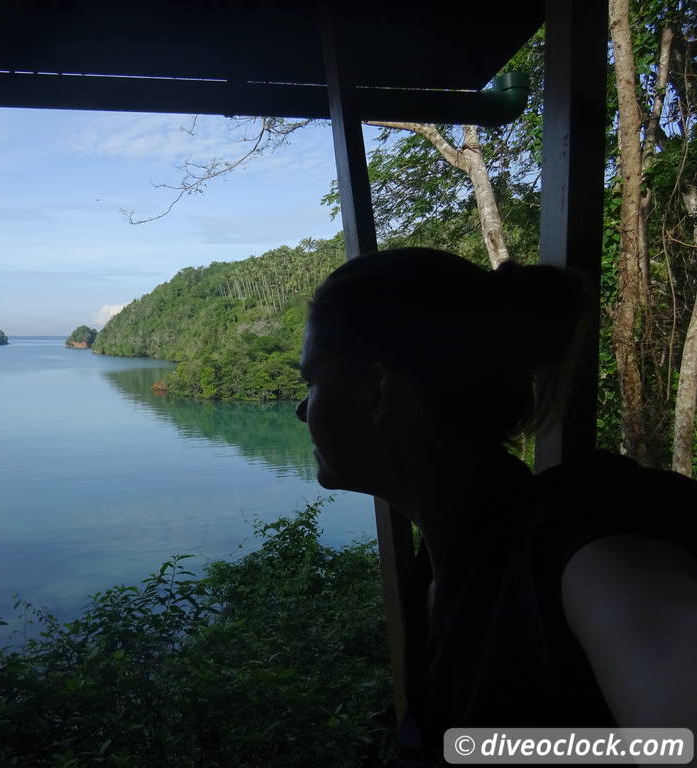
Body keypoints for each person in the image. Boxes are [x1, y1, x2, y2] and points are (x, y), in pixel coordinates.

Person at [294, 247, 697, 767]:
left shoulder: (581, 538)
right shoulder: (443, 570)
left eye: (312, 382)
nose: (302, 410)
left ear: (376, 393)